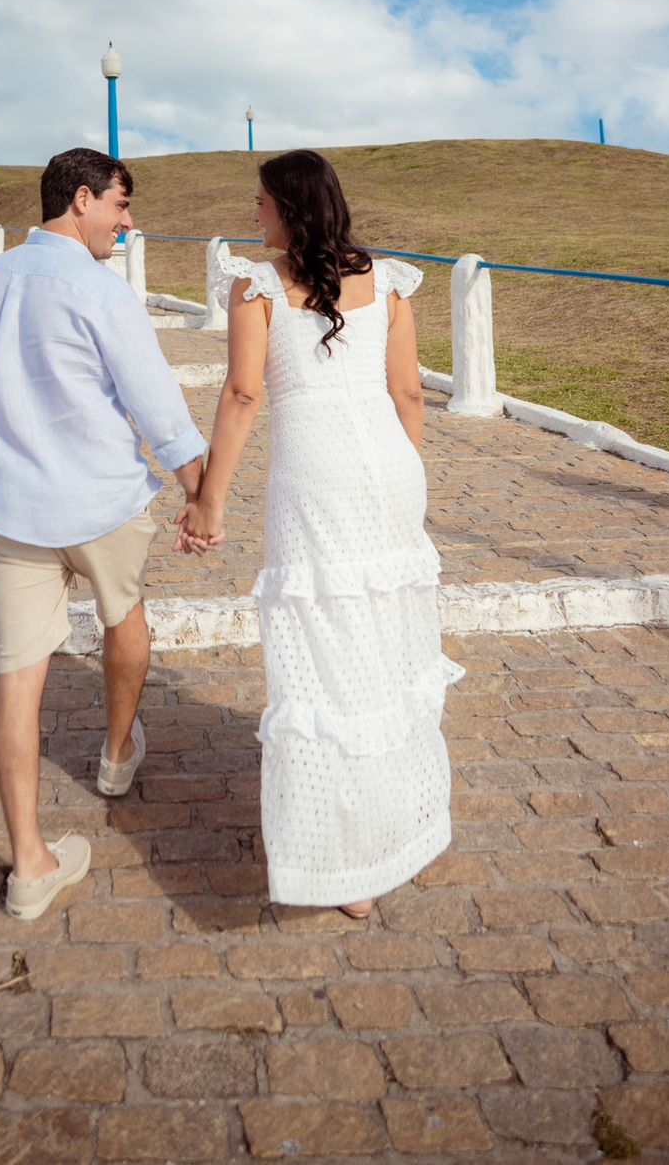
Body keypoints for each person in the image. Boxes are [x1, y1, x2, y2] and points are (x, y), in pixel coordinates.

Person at [179, 150, 463, 918]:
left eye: (261, 202)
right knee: (386, 651)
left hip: (316, 480)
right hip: (391, 473)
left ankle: (349, 867)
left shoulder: (257, 286)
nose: (254, 214)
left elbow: (243, 395)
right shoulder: (387, 280)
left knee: (325, 661)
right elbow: (408, 394)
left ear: (291, 208)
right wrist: (405, 487)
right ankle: (400, 829)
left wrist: (209, 501)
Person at [0, 147, 208, 921]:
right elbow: (157, 404)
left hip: (14, 504)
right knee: (123, 616)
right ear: (81, 199)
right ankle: (114, 753)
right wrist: (200, 493)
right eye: (120, 206)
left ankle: (29, 863)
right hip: (100, 499)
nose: (125, 224)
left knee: (18, 674)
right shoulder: (100, 289)